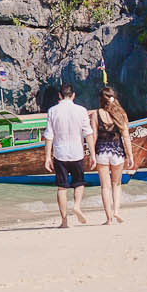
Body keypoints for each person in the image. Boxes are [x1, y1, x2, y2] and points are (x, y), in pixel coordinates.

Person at [44, 82, 92, 228]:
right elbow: (88, 133)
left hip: (60, 153)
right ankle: (77, 206)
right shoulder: (81, 110)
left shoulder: (52, 111)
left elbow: (49, 136)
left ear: (60, 95)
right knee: (79, 183)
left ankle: (64, 222)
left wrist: (47, 157)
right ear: (73, 95)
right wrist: (93, 154)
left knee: (62, 188)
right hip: (77, 152)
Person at [92, 88, 135, 224]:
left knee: (105, 187)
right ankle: (116, 212)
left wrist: (92, 155)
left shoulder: (96, 114)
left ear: (101, 99)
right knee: (116, 184)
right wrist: (130, 155)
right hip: (117, 151)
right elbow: (126, 136)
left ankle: (109, 218)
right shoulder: (120, 113)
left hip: (101, 152)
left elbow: (94, 136)